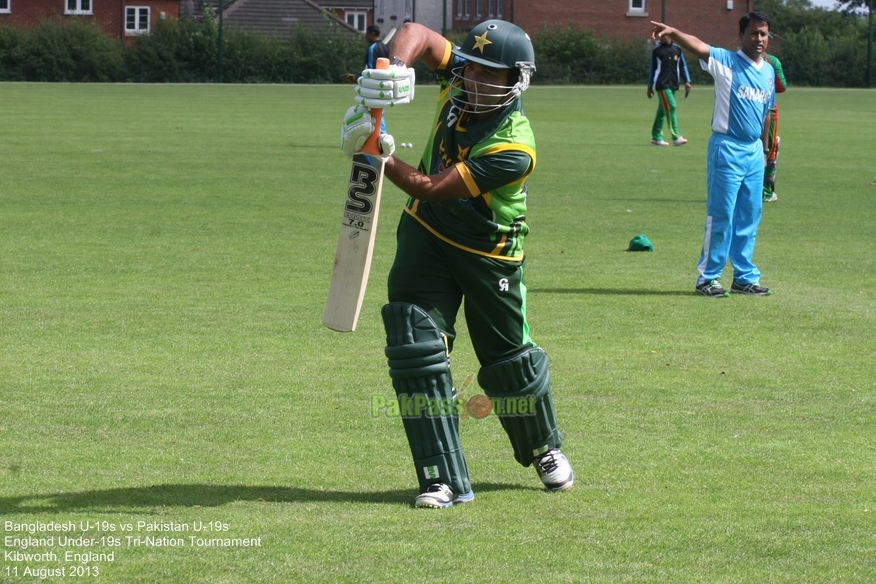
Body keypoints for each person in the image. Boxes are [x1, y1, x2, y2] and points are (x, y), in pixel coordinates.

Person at [341, 20, 575, 508]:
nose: (478, 83)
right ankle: (440, 477)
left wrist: (373, 152)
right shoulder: (459, 83)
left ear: (517, 80)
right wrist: (398, 69)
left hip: (490, 254)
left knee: (508, 362)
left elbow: (432, 186)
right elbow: (418, 32)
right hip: (427, 234)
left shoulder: (515, 145)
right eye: (473, 71)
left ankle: (543, 448)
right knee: (414, 344)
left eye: (495, 76)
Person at [651, 13, 776, 298]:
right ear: (741, 36)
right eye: (754, 33)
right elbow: (698, 46)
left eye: (764, 34)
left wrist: (766, 149)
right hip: (727, 147)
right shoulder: (726, 61)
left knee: (750, 214)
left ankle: (744, 277)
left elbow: (768, 111)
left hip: (754, 152)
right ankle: (707, 278)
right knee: (721, 214)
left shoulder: (767, 71)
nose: (759, 39)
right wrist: (674, 31)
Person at [648, 34, 692, 146]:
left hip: (673, 84)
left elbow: (682, 66)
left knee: (662, 111)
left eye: (663, 36)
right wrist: (649, 86)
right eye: (660, 36)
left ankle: (656, 137)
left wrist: (687, 80)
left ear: (670, 36)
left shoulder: (677, 49)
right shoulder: (657, 51)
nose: (660, 38)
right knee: (672, 106)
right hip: (662, 84)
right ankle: (676, 136)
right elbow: (653, 69)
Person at [762, 52, 787, 202]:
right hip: (769, 111)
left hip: (745, 110)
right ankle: (766, 192)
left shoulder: (737, 58)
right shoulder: (772, 61)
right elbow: (782, 86)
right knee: (769, 151)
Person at [365, 25, 390, 133]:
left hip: (373, 84)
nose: (366, 36)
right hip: (384, 83)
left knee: (373, 111)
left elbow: (370, 68)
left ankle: (381, 135)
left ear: (372, 34)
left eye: (367, 33)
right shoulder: (385, 47)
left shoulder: (372, 48)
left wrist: (358, 78)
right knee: (380, 111)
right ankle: (381, 135)